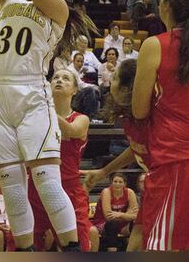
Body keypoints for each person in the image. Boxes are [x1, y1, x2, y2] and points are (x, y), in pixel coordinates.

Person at [0, 0, 96, 251]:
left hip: (30, 94)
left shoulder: (57, 11)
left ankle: (72, 249)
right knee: (13, 187)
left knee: (46, 181)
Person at [132, 0, 189, 252]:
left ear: (165, 6)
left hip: (178, 160)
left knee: (160, 246)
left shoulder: (155, 45)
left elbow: (139, 110)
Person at [27, 69, 99, 252]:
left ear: (75, 89)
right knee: (23, 245)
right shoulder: (35, 117)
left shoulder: (81, 119)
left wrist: (45, 109)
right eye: (55, 78)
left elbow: (70, 130)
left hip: (69, 189)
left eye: (66, 79)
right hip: (36, 187)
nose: (59, 80)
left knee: (79, 246)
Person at [82, 59, 151, 252]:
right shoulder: (130, 115)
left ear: (128, 88)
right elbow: (137, 148)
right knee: (139, 230)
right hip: (156, 182)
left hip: (172, 181)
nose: (111, 79)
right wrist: (104, 171)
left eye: (116, 77)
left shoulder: (151, 115)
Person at [90, 172, 139, 252]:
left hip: (122, 224)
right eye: (115, 181)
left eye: (120, 182)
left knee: (137, 224)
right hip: (103, 223)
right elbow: (108, 216)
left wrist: (119, 214)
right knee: (112, 224)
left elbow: (136, 215)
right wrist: (127, 215)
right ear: (111, 183)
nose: (117, 184)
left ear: (125, 184)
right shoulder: (106, 192)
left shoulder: (130, 192)